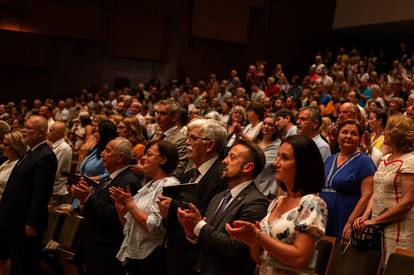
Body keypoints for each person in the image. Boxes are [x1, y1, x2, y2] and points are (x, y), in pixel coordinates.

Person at [226, 135, 327, 275]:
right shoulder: (276, 202)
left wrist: (258, 236)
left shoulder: (311, 202)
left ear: (303, 165)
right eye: (277, 156)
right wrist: (252, 241)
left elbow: (300, 258)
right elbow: (260, 259)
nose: (275, 163)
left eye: (284, 158)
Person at [177, 139, 269, 275]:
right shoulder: (218, 197)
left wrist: (198, 226)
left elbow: (238, 250)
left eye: (232, 157)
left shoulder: (256, 202)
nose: (224, 161)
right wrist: (192, 232)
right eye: (227, 155)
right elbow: (208, 239)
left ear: (248, 167)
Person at [158, 118, 228, 275]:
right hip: (177, 250)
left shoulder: (221, 175)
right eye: (187, 137)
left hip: (198, 256)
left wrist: (173, 206)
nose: (187, 142)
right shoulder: (188, 174)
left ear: (210, 145)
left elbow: (212, 216)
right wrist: (165, 212)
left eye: (193, 138)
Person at [110, 140, 179, 275]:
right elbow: (129, 225)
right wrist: (121, 208)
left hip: (151, 257)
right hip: (135, 254)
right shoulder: (149, 186)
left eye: (149, 154)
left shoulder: (169, 185)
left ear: (163, 159)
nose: (143, 158)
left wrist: (130, 205)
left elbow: (154, 226)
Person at [72, 137, 139, 275]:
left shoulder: (128, 182)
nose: (102, 154)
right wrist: (83, 199)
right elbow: (95, 207)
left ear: (120, 157)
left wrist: (88, 197)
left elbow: (115, 217)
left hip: (106, 250)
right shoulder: (109, 177)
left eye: (108, 151)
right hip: (92, 246)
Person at [0, 116, 57, 275]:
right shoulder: (31, 152)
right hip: (14, 219)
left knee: (25, 264)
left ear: (40, 133)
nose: (23, 130)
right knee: (16, 261)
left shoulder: (46, 156)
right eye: (24, 126)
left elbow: (41, 192)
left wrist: (32, 221)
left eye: (29, 128)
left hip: (26, 222)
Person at [355, 115, 414, 262]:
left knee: (396, 268)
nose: (383, 133)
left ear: (397, 133)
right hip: (378, 227)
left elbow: (408, 201)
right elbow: (377, 191)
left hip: (400, 229)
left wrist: (375, 221)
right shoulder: (385, 159)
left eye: (387, 129)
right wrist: (365, 217)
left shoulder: (410, 161)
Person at [320, 119, 376, 240]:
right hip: (323, 217)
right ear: (338, 134)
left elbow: (367, 195)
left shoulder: (365, 162)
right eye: (344, 132)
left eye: (354, 134)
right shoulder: (330, 158)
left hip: (345, 217)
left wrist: (350, 222)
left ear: (360, 138)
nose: (348, 136)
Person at [154, 98, 188, 177]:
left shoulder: (180, 140)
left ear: (174, 117)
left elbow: (178, 171)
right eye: (157, 113)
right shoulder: (157, 136)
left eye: (163, 113)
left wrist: (153, 174)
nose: (158, 117)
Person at [254, 115, 281, 197]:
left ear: (275, 129)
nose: (266, 126)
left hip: (265, 189)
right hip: (250, 183)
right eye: (264, 123)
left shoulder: (278, 145)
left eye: (270, 125)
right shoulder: (255, 141)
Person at [47, 121, 73, 206]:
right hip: (49, 188)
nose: (48, 133)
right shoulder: (52, 145)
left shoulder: (63, 148)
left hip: (55, 190)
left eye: (50, 131)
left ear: (58, 134)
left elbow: (55, 170)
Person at [0, 131, 26, 200]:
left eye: (6, 144)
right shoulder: (8, 161)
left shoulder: (19, 165)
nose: (2, 146)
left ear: (15, 147)